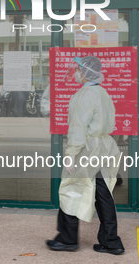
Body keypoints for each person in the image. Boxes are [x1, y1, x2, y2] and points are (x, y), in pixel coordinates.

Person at [46, 56, 124, 254]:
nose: (75, 72)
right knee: (104, 193)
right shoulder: (103, 93)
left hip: (88, 149)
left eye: (78, 69)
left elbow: (78, 127)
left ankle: (67, 238)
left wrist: (71, 153)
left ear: (85, 72)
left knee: (70, 188)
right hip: (105, 147)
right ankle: (111, 241)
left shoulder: (84, 95)